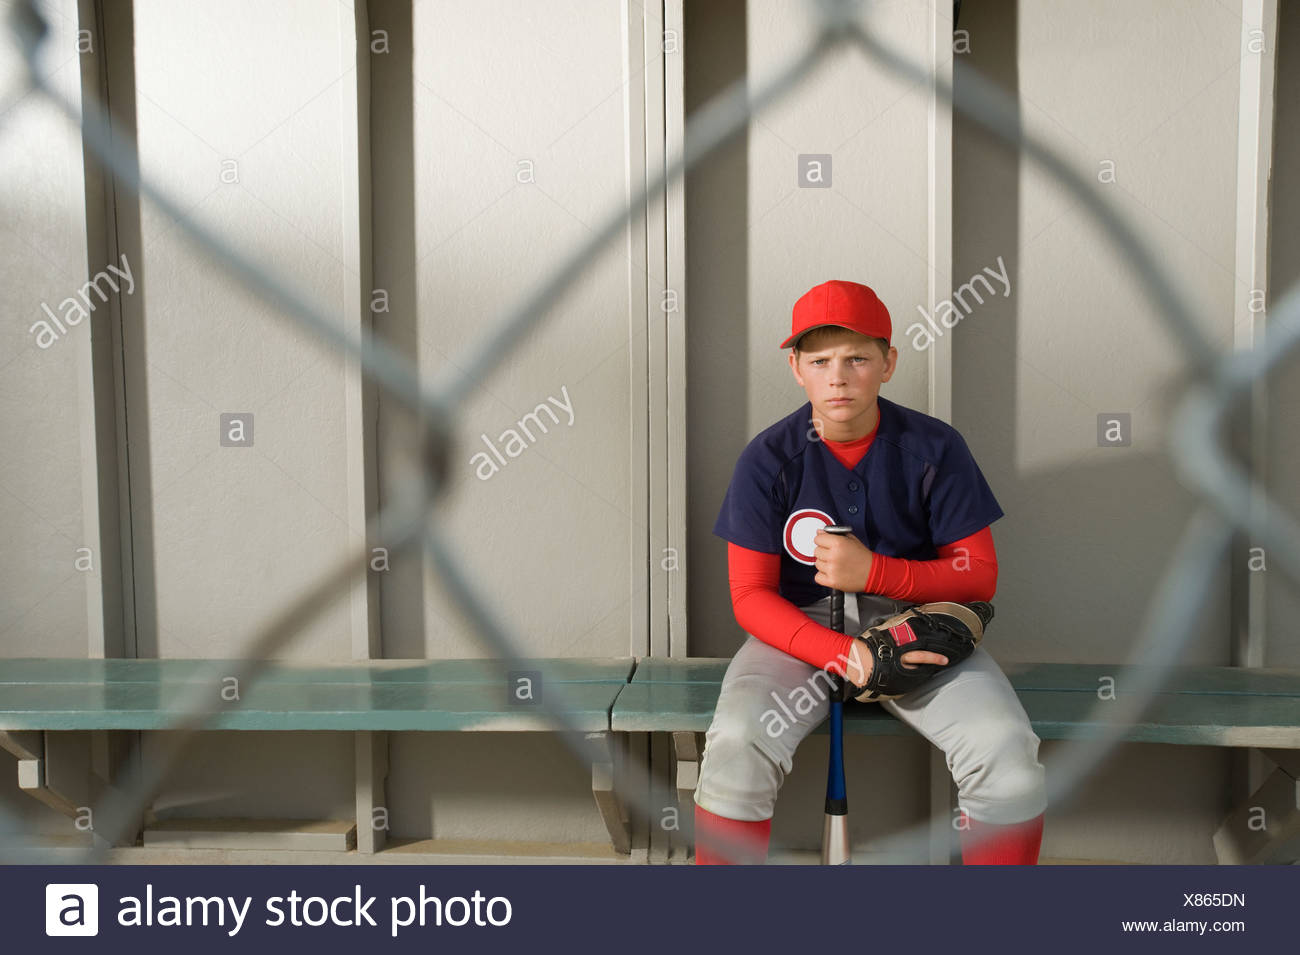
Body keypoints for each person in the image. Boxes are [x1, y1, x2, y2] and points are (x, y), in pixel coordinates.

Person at [695, 279, 1047, 865]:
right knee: (736, 747)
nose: (838, 376)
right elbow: (751, 597)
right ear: (796, 368)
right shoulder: (768, 458)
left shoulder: (936, 447)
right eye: (821, 359)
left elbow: (978, 575)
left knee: (1006, 753)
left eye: (858, 357)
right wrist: (844, 655)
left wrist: (877, 572)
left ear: (888, 363)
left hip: (915, 626)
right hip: (796, 633)